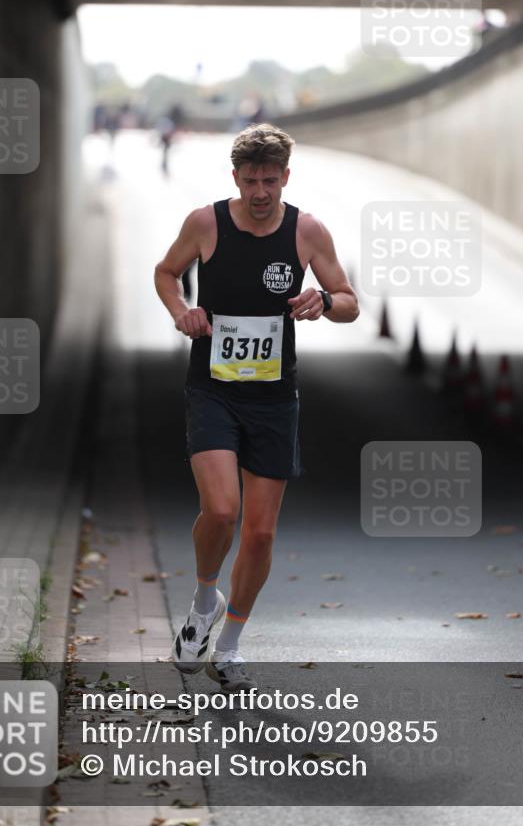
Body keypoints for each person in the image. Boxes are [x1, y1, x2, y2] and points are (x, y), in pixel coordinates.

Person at [154, 123, 359, 691]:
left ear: (286, 177)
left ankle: (231, 645)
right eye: (251, 181)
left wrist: (324, 300)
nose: (261, 192)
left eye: (271, 180)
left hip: (273, 397)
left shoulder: (307, 231)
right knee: (221, 510)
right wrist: (182, 311)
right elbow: (166, 273)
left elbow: (350, 303)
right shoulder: (206, 223)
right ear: (235, 178)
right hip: (213, 387)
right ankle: (202, 603)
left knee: (261, 534)